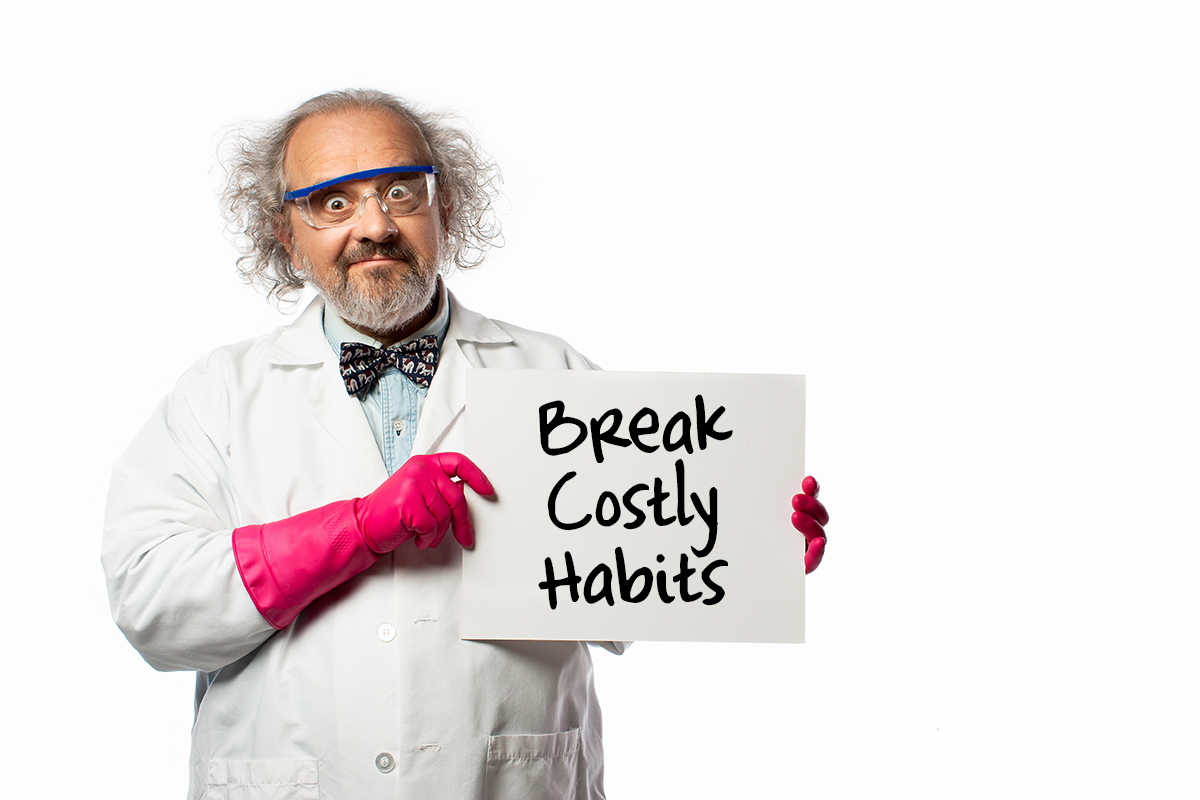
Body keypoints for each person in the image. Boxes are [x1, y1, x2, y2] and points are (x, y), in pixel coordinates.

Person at [102, 89, 829, 800]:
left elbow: (625, 594)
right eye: (332, 202)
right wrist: (354, 530)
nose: (375, 226)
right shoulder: (218, 393)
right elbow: (152, 604)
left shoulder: (553, 375)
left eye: (401, 193)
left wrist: (741, 543)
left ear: (445, 209)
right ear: (285, 236)